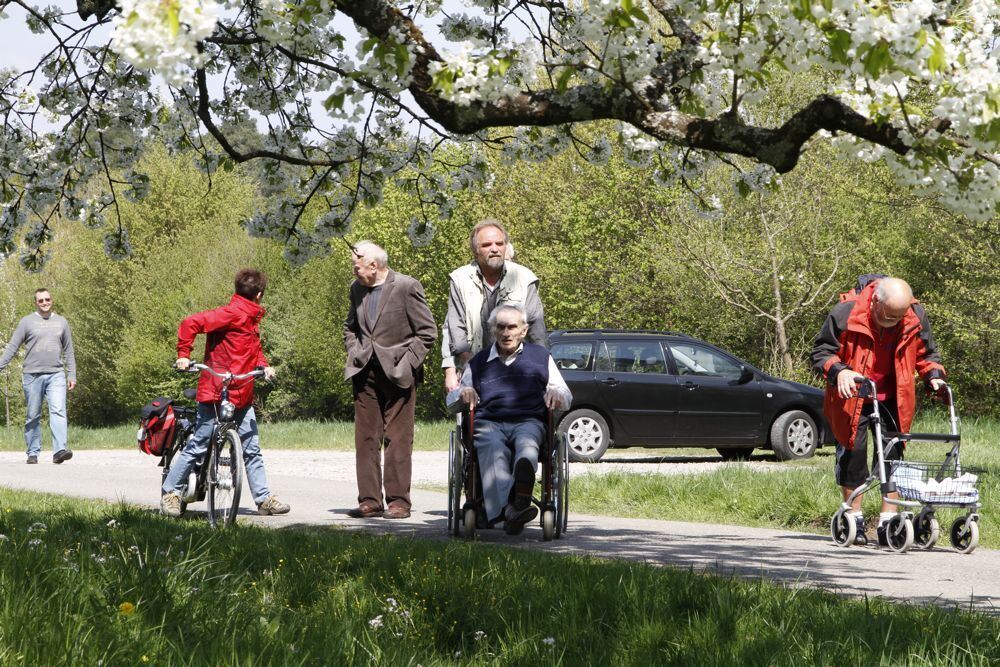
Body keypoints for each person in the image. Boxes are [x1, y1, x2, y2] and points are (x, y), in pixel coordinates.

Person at [811, 276, 946, 546]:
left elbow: (927, 354)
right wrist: (839, 371)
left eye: (898, 315)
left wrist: (933, 376)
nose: (893, 320)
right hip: (853, 395)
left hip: (895, 397)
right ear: (874, 301)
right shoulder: (846, 311)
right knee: (853, 454)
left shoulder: (915, 314)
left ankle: (888, 522)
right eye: (888, 315)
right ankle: (854, 517)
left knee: (892, 458)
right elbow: (821, 352)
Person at [160, 269, 290, 517]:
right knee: (199, 445)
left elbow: (252, 350)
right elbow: (190, 323)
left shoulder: (250, 318)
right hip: (216, 392)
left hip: (242, 393)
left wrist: (263, 366)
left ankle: (263, 499)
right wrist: (184, 355)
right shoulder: (231, 314)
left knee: (251, 449)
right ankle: (171, 493)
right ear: (259, 295)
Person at [447, 304, 572, 535]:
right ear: (493, 330)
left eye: (512, 327)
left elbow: (566, 395)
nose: (506, 333)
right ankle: (513, 508)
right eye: (501, 327)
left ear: (524, 330)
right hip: (489, 422)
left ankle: (513, 501)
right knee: (492, 448)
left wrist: (557, 393)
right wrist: (464, 391)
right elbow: (452, 401)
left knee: (528, 446)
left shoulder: (541, 357)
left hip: (528, 420)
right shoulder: (478, 362)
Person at [344, 241, 436, 520]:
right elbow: (350, 327)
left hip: (399, 374)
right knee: (366, 438)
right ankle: (370, 501)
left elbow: (427, 332)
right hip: (364, 372)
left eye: (357, 266)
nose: (354, 270)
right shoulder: (356, 288)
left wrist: (406, 364)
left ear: (374, 265)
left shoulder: (407, 286)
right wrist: (354, 351)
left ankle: (398, 502)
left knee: (398, 438)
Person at [443, 220, 547, 392]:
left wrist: (542, 367)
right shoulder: (459, 279)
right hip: (473, 368)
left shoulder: (524, 277)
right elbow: (455, 327)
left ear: (506, 246)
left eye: (499, 243)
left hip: (518, 371)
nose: (494, 249)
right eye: (487, 245)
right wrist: (460, 368)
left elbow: (537, 329)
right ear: (475, 251)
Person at [0, 288, 77, 465]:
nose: (44, 303)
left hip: (56, 374)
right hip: (32, 375)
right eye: (41, 300)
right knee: (33, 415)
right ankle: (33, 452)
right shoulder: (27, 322)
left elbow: (68, 351)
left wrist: (72, 374)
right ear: (36, 302)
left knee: (58, 411)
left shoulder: (61, 322)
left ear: (52, 300)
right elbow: (12, 347)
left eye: (47, 299)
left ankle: (59, 451)